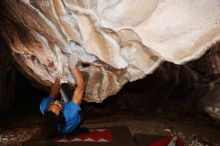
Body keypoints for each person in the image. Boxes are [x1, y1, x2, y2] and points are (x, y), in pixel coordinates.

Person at [40, 54, 85, 135]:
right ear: (62, 112)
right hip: (75, 120)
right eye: (57, 106)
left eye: (52, 103)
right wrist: (72, 66)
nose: (56, 102)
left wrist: (58, 77)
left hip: (60, 128)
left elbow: (53, 94)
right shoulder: (70, 112)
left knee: (61, 87)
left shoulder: (44, 106)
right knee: (68, 91)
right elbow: (81, 87)